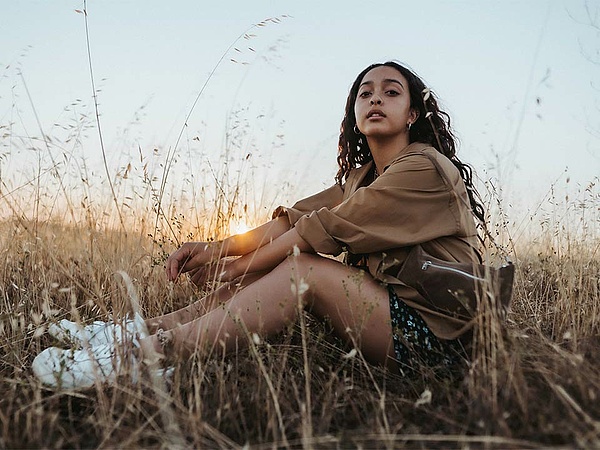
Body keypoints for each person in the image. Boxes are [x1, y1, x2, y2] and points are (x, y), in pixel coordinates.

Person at [33, 61, 485, 388]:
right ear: (354, 113)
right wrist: (218, 248)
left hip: (441, 341)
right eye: (365, 93)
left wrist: (235, 269)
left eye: (391, 92)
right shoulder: (361, 179)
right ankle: (143, 331)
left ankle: (147, 357)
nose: (375, 99)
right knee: (282, 261)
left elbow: (320, 230)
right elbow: (293, 219)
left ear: (411, 115)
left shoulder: (423, 167)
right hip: (392, 318)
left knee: (302, 270)